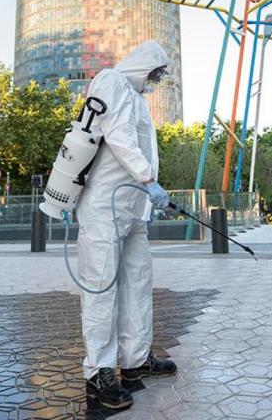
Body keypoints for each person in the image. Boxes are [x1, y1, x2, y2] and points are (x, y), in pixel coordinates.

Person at [76, 41, 177, 411]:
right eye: (155, 73)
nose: (156, 80)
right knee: (101, 290)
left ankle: (135, 361)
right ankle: (98, 374)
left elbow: (138, 142)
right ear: (141, 66)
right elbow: (117, 135)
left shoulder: (137, 98)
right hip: (104, 207)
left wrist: (147, 193)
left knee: (137, 284)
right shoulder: (112, 81)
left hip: (133, 211)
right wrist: (148, 179)